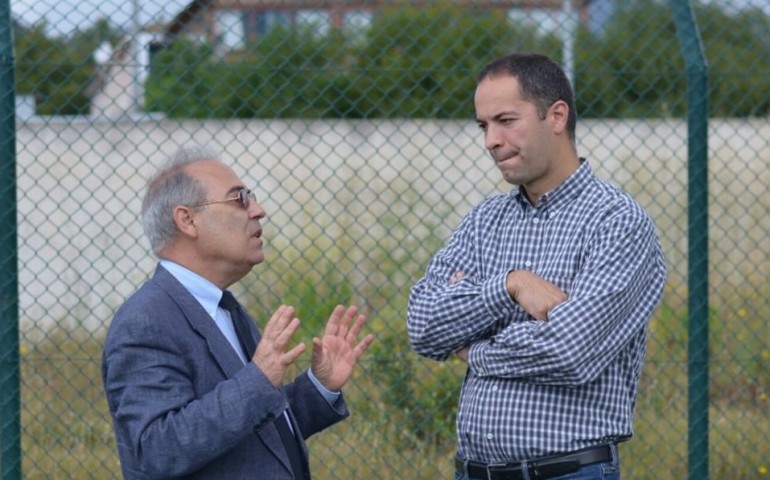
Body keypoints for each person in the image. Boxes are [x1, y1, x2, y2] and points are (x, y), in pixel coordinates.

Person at [406, 53, 667, 480]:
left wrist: (478, 349)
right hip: (473, 472)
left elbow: (571, 351)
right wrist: (510, 285)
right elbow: (424, 325)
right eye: (483, 125)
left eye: (506, 120)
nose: (490, 139)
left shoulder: (617, 223)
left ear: (557, 115)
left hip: (566, 472)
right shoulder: (484, 221)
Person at [102, 145, 374, 480]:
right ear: (187, 220)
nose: (258, 210)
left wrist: (319, 387)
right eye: (240, 199)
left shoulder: (226, 309)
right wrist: (258, 381)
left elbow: (257, 437)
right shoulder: (146, 321)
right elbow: (158, 450)